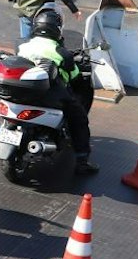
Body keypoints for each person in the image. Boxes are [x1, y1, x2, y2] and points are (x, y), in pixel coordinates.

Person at [18, 10, 97, 174]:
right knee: (79, 119)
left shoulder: (22, 45)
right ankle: (82, 161)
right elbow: (75, 76)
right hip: (50, 96)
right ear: (57, 29)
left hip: (22, 93)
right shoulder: (61, 52)